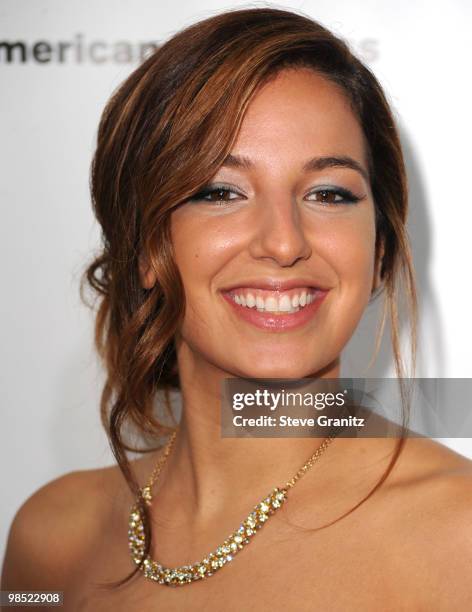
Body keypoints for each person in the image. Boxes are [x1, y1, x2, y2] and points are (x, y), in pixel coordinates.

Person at [2, 7, 472, 610]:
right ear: (147, 245)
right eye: (220, 191)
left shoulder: (458, 541)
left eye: (329, 194)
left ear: (378, 249)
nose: (283, 242)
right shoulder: (48, 545)